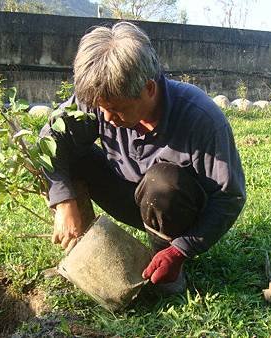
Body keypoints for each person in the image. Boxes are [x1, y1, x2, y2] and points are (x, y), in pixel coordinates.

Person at [40, 21, 246, 293]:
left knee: (163, 182)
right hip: (130, 193)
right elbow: (50, 139)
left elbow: (229, 196)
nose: (108, 119)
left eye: (116, 110)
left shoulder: (201, 118)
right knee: (70, 154)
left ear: (149, 89)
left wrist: (181, 250)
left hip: (176, 207)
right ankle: (88, 254)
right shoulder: (100, 100)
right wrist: (63, 200)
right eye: (102, 110)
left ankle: (164, 263)